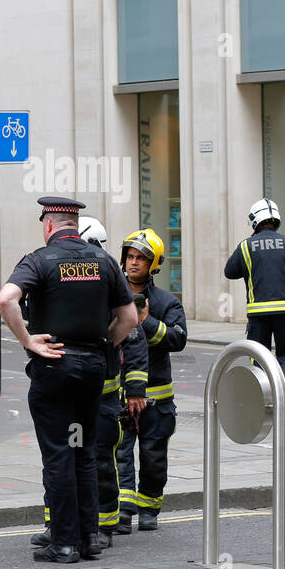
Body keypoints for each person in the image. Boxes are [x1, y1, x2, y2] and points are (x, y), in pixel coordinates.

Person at [0, 197, 136, 563]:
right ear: (75, 226)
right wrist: (106, 342)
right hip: (92, 371)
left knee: (59, 454)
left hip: (54, 369)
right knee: (84, 452)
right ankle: (90, 536)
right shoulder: (104, 262)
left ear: (48, 225)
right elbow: (130, 318)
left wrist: (28, 341)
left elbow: (6, 300)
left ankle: (63, 543)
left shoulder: (38, 261)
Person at [28, 216, 148, 551]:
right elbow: (127, 327)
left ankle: (95, 529)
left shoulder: (104, 284)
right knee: (77, 458)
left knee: (83, 459)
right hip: (94, 389)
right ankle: (69, 529)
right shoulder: (105, 277)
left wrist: (136, 389)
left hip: (100, 398)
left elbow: (133, 339)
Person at [114, 228, 186, 532]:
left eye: (141, 259)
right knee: (120, 453)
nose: (133, 263)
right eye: (130, 257)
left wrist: (147, 321)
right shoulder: (111, 296)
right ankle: (123, 509)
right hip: (118, 393)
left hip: (157, 397)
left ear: (153, 263)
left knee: (154, 457)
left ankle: (149, 507)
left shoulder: (166, 302)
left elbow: (178, 339)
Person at [223, 198, 285, 420]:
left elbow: (230, 271)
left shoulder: (245, 246)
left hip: (258, 314)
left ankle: (265, 402)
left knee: (259, 356)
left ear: (254, 220)